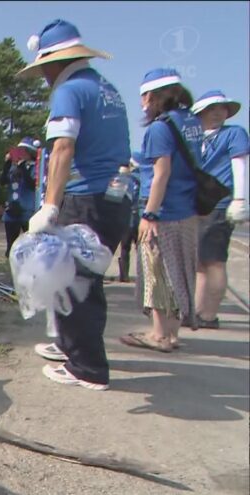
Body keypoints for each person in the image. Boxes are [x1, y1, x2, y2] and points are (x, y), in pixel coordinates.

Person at [21, 19, 131, 390]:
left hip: (86, 197)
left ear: (54, 63)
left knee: (76, 282)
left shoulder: (68, 91)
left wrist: (50, 205)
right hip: (114, 197)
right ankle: (70, 346)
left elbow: (63, 148)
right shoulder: (106, 88)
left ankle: (88, 368)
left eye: (43, 70)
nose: (42, 78)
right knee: (82, 277)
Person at [119, 69, 201, 353]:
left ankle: (158, 335)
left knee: (157, 272)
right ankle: (173, 334)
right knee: (180, 271)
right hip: (188, 210)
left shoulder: (158, 128)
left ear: (150, 96)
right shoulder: (191, 121)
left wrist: (149, 214)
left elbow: (161, 174)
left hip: (164, 212)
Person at [191, 90, 250, 329]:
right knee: (199, 262)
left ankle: (209, 315)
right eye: (212, 109)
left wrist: (240, 199)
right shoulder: (195, 139)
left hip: (220, 203)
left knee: (214, 261)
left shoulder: (234, 134)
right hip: (197, 204)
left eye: (221, 109)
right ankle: (196, 311)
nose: (217, 113)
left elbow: (240, 164)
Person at [1, 137, 40, 257]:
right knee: (11, 246)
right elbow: (3, 181)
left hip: (27, 210)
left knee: (30, 245)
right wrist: (7, 164)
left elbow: (33, 184)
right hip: (11, 210)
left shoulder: (34, 167)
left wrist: (23, 167)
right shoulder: (13, 167)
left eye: (24, 151)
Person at [117, 153, 144, 282]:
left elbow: (113, 198)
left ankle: (124, 275)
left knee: (124, 248)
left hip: (125, 217)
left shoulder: (121, 178)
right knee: (141, 249)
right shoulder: (144, 177)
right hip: (141, 216)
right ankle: (143, 277)